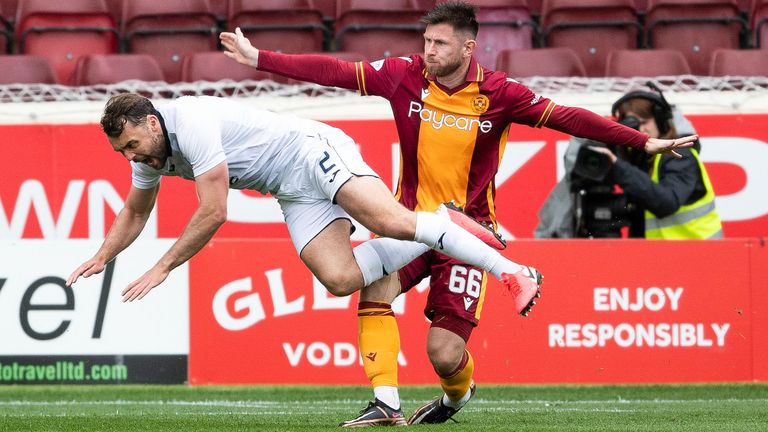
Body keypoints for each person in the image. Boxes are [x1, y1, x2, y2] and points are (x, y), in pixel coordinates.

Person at [220, 1, 697, 426]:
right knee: (373, 287)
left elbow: (569, 116)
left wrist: (641, 141)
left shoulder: (501, 93)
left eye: (440, 43)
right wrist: (259, 58)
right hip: (409, 223)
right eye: (426, 41)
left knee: (443, 354)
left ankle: (457, 393)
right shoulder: (402, 74)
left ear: (468, 47)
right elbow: (333, 70)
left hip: (467, 232)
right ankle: (385, 404)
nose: (428, 51)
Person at [65, 92, 544, 323]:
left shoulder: (187, 122)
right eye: (121, 152)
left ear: (151, 122)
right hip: (289, 188)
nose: (131, 158)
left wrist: (163, 266)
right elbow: (134, 212)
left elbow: (213, 211)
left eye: (131, 145)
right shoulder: (149, 151)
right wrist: (104, 255)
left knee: (386, 220)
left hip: (311, 151)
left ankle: (514, 270)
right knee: (339, 278)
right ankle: (444, 224)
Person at [585, 88, 723, 239]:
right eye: (632, 125)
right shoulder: (638, 157)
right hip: (661, 254)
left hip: (700, 253)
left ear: (660, 120)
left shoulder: (681, 155)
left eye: (644, 122)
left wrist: (618, 167)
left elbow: (666, 203)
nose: (640, 130)